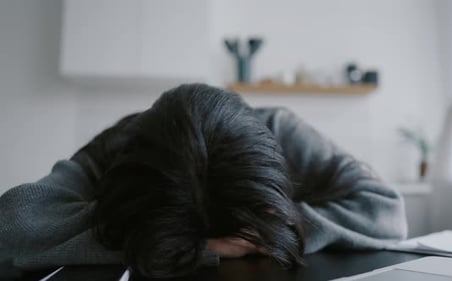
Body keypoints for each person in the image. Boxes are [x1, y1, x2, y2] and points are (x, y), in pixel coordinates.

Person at [0, 84, 407, 279]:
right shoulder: (123, 146)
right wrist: (181, 244)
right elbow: (13, 225)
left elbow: (386, 209)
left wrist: (272, 228)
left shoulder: (282, 130)